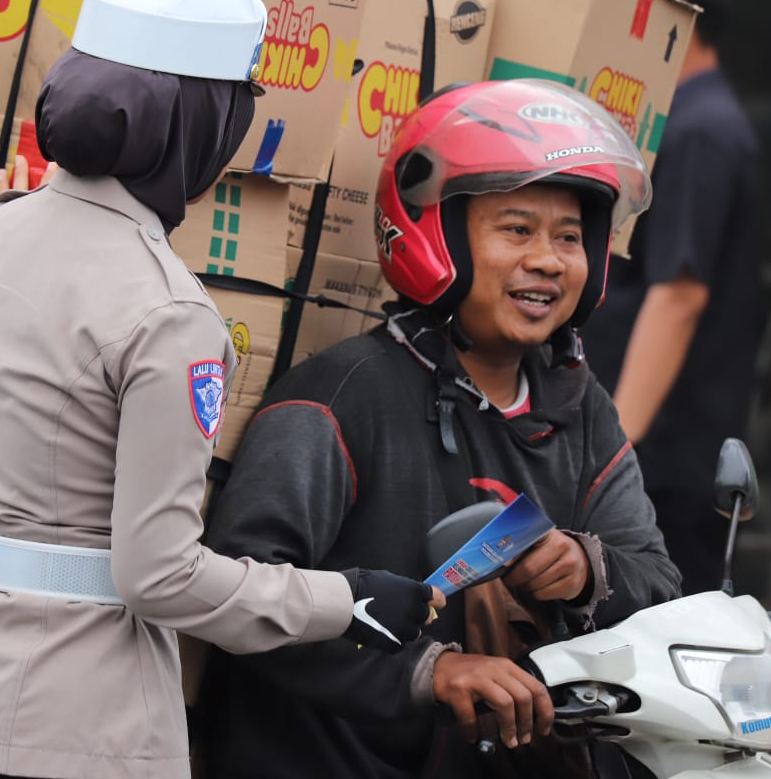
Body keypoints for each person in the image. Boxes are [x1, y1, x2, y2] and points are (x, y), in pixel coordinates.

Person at [0, 0, 442, 779]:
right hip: (73, 740)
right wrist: (347, 601)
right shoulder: (169, 313)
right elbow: (162, 576)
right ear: (201, 130)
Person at [200, 79, 683, 779]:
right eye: (517, 229)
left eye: (570, 237)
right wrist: (427, 670)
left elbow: (659, 581)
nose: (549, 259)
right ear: (437, 237)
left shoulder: (580, 407)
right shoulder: (343, 395)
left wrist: (584, 572)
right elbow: (237, 589)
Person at [581, 0, 764, 595]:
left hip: (660, 462)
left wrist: (614, 452)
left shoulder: (700, 127)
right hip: (660, 456)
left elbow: (679, 294)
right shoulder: (693, 118)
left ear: (671, 12)